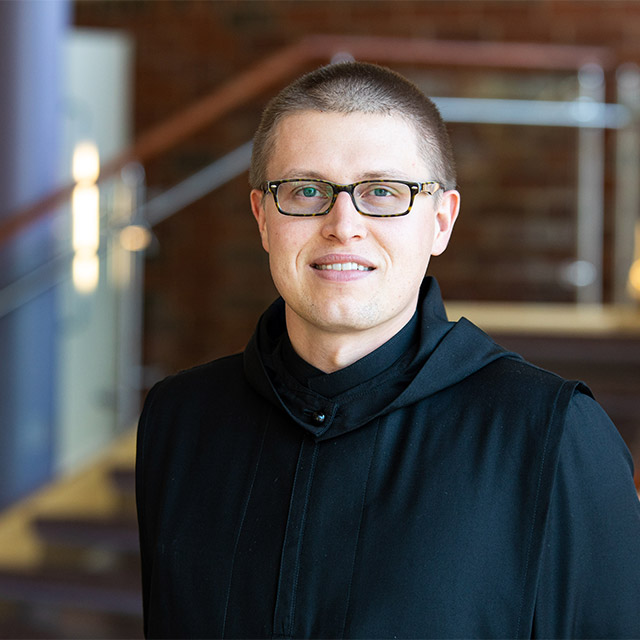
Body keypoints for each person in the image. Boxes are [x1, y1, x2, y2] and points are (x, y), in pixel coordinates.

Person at [136, 62, 640, 639]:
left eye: (382, 192)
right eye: (306, 191)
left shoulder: (551, 435)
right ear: (262, 219)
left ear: (441, 222)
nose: (343, 225)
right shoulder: (180, 420)